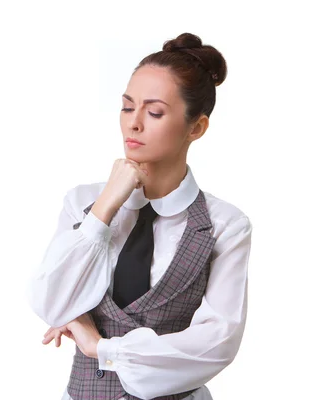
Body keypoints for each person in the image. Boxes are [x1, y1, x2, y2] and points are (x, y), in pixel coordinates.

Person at [25, 32, 253, 400]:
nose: (134, 123)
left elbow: (215, 344)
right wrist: (105, 208)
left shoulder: (225, 225)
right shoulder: (82, 203)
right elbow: (50, 302)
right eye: (127, 107)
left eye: (155, 111)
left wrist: (100, 348)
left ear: (196, 127)